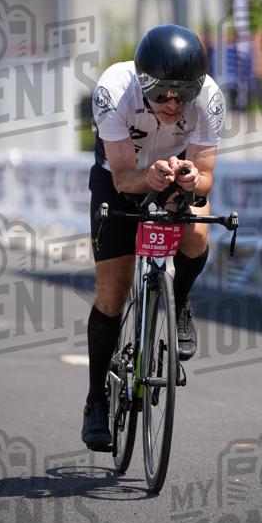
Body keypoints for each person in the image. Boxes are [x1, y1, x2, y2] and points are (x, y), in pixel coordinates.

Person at [82, 24, 226, 450]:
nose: (172, 102)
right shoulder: (114, 89)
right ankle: (94, 401)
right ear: (143, 82)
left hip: (173, 171)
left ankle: (179, 302)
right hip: (119, 176)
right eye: (162, 92)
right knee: (113, 290)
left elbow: (207, 180)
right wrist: (149, 176)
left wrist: (192, 177)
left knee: (198, 233)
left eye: (182, 94)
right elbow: (125, 176)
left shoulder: (210, 99)